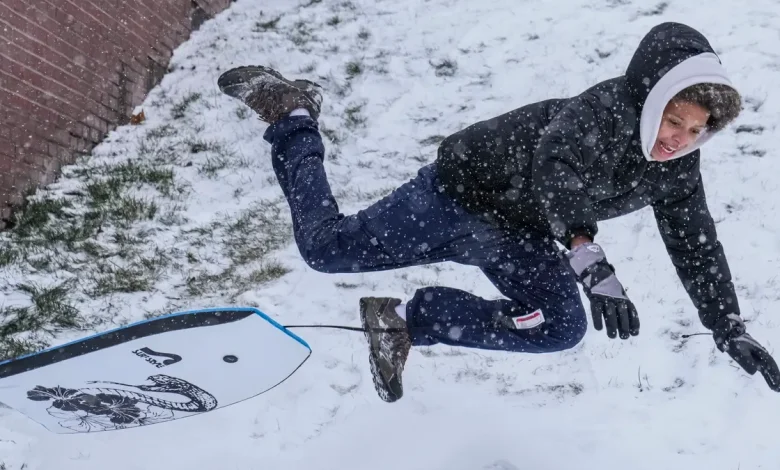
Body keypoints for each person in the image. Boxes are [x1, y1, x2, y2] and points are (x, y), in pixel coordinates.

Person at [217, 21, 780, 403]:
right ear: (654, 99)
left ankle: (404, 323)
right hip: (455, 199)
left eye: (695, 130)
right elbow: (556, 170)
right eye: (673, 120)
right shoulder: (602, 111)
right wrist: (586, 253)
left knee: (560, 329)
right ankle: (292, 113)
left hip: (519, 237)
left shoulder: (677, 168)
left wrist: (726, 325)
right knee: (324, 250)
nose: (679, 139)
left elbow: (695, 242)